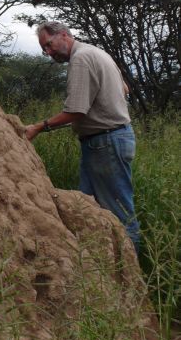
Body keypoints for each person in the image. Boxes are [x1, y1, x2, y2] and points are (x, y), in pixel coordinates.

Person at [24, 21, 140, 252]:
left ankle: (132, 277)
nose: (48, 52)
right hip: (111, 139)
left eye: (49, 44)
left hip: (106, 142)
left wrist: (39, 127)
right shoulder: (97, 52)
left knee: (119, 212)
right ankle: (103, 268)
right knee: (87, 208)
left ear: (64, 35)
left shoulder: (81, 59)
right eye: (44, 49)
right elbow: (125, 88)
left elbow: (76, 110)